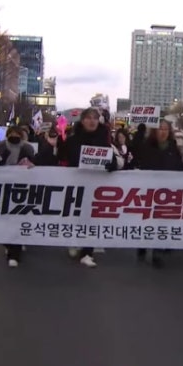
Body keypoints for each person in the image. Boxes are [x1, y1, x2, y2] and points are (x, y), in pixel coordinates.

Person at [60, 107, 114, 267]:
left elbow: (111, 161)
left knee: (92, 218)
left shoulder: (104, 141)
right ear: (82, 121)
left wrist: (110, 165)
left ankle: (87, 252)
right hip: (76, 184)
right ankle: (73, 242)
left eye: (95, 118)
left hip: (95, 187)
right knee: (75, 215)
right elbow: (62, 158)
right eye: (88, 118)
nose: (92, 121)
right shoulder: (72, 140)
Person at [135, 119, 183, 268]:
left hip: (167, 193)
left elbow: (179, 167)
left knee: (162, 221)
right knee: (147, 221)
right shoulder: (147, 146)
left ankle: (157, 252)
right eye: (160, 129)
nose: (163, 132)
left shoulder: (173, 148)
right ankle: (142, 246)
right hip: (149, 191)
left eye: (165, 129)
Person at [0, 127, 36, 268]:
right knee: (5, 218)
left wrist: (31, 165)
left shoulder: (28, 148)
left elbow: (35, 164)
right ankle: (8, 243)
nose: (14, 136)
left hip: (21, 188)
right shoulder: (0, 146)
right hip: (4, 187)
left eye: (17, 134)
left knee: (18, 218)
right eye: (12, 134)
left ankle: (14, 253)